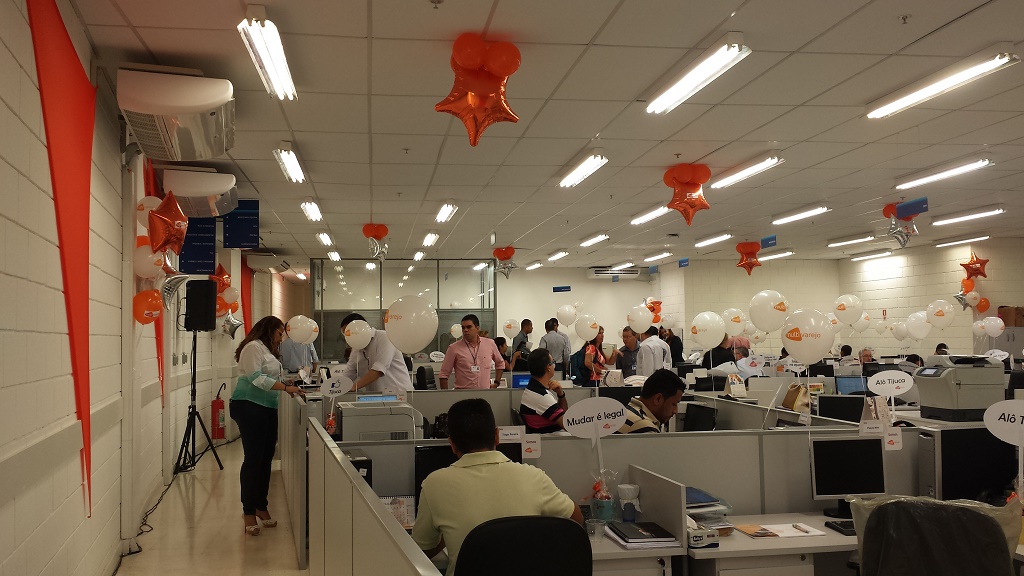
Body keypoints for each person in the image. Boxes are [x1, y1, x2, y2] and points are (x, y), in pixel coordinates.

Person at [412, 398, 583, 576]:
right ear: (497, 436)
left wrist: (446, 532)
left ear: (452, 445)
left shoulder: (434, 484)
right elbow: (576, 520)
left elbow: (421, 550)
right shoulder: (534, 476)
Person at [229, 316, 306, 536]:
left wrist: (287, 384)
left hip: (267, 407)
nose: (281, 338)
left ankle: (261, 506)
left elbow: (270, 376)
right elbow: (256, 378)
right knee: (253, 460)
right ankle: (248, 512)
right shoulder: (253, 347)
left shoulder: (268, 350)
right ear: (269, 330)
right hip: (249, 405)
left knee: (266, 459)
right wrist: (284, 388)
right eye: (280, 333)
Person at [339, 313, 413, 392]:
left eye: (348, 333)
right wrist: (335, 387)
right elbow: (348, 373)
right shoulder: (356, 348)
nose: (347, 338)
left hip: (400, 394)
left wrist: (354, 387)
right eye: (345, 334)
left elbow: (378, 370)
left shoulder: (385, 337)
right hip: (375, 396)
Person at [439, 314, 505, 389]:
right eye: (463, 328)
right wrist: (445, 394)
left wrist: (497, 382)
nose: (465, 330)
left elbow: (500, 363)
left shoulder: (489, 344)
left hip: (485, 392)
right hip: (463, 393)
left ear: (477, 328)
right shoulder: (454, 348)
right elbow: (443, 374)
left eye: (469, 327)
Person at [616, 369, 685, 434]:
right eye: (674, 404)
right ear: (658, 399)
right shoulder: (644, 426)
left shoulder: (628, 411)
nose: (675, 411)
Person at [518, 349, 567, 434]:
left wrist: (560, 394)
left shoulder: (531, 389)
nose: (554, 366)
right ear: (548, 367)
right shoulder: (542, 397)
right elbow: (568, 424)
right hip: (552, 438)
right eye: (553, 362)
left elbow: (563, 414)